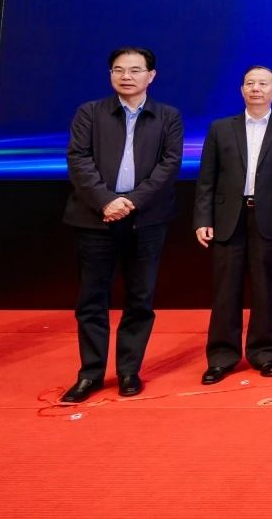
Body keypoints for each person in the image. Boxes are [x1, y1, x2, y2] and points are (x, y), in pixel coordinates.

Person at [60, 47, 183, 403]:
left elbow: (169, 164)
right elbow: (79, 160)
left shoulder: (168, 116)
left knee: (140, 298)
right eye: (118, 70)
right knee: (92, 299)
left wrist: (132, 202)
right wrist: (106, 201)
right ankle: (90, 373)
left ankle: (129, 370)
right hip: (95, 218)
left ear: (151, 75)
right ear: (110, 74)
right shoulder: (90, 112)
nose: (126, 76)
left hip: (146, 219)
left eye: (134, 70)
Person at [193, 66, 272, 384]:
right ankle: (221, 357)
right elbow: (206, 179)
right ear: (241, 89)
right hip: (227, 218)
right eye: (249, 83)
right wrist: (202, 218)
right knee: (225, 290)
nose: (255, 88)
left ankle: (265, 354)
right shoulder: (220, 128)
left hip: (269, 217)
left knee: (266, 288)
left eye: (262, 83)